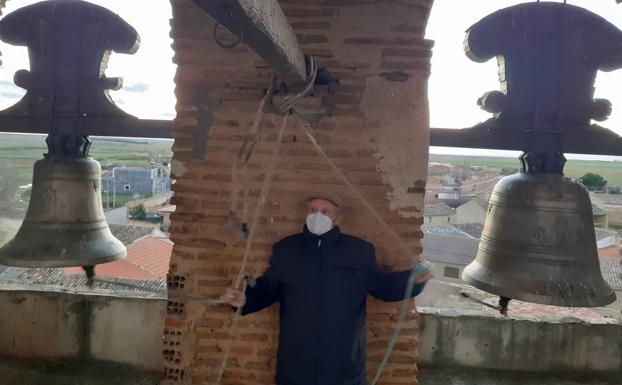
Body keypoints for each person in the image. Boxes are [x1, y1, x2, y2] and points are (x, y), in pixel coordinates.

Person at [220, 194, 432, 385]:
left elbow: (381, 285)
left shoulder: (359, 251)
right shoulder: (286, 249)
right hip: (296, 359)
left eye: (324, 211)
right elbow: (268, 288)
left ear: (337, 219)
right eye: (312, 210)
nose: (317, 215)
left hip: (342, 360)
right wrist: (245, 299)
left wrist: (413, 281)